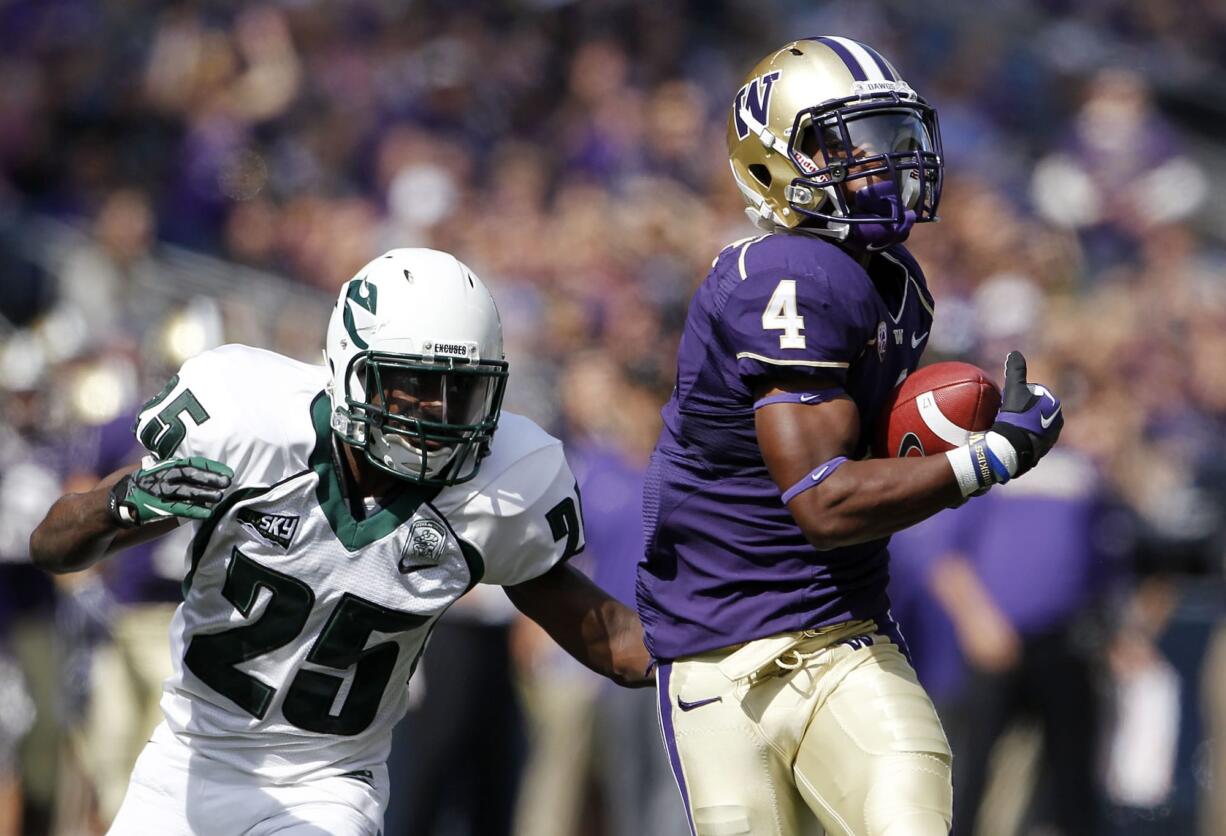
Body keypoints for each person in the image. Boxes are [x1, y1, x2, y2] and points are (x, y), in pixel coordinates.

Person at [30, 247, 652, 836]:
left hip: (327, 784)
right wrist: (114, 507)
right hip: (190, 760)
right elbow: (52, 547)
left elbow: (614, 643)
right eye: (413, 382)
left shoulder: (499, 492)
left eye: (460, 389)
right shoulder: (248, 430)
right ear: (352, 371)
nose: (437, 412)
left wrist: (725, 642)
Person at [635, 37, 1065, 836]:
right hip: (718, 656)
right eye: (849, 142)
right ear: (772, 161)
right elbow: (823, 501)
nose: (884, 162)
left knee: (910, 807)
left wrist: (932, 444)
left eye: (891, 137)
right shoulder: (786, 274)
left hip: (841, 636)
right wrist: (989, 457)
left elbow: (865, 464)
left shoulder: (895, 282)